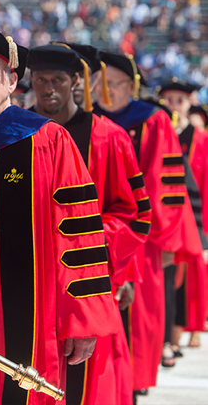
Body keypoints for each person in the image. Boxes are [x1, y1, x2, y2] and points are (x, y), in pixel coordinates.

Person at [0, 31, 119, 405]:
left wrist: (83, 318)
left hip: (37, 316)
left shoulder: (49, 140)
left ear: (12, 80)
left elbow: (79, 235)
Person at [28, 44, 151, 405]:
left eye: (58, 80)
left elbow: (134, 214)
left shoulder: (108, 137)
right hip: (34, 286)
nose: (48, 89)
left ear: (75, 82)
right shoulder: (19, 135)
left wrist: (84, 247)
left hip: (86, 284)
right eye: (40, 81)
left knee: (90, 386)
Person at [92, 52, 198, 394]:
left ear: (132, 86)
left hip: (141, 234)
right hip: (100, 232)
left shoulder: (151, 119)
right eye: (101, 83)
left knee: (141, 315)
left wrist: (159, 237)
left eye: (116, 84)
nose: (107, 91)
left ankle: (134, 383)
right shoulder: (87, 121)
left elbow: (164, 184)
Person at [159, 80, 208, 350]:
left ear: (190, 103)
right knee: (166, 277)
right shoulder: (156, 132)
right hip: (166, 219)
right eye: (169, 99)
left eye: (180, 100)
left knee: (188, 278)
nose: (175, 105)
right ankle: (167, 338)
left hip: (193, 220)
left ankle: (181, 333)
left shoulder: (201, 139)